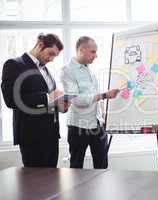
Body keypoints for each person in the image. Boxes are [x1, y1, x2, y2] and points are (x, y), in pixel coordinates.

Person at [1, 33, 69, 167]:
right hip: (32, 137)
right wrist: (47, 97)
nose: (52, 59)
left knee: (52, 183)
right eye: (51, 53)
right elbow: (10, 99)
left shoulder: (47, 70)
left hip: (52, 136)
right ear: (40, 44)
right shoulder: (14, 64)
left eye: (55, 56)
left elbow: (49, 101)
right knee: (35, 185)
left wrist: (60, 105)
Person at [61, 36, 119, 169]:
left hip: (97, 124)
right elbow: (76, 99)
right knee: (76, 165)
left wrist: (103, 114)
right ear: (81, 50)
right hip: (78, 126)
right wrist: (104, 95)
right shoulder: (67, 71)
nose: (96, 55)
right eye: (93, 52)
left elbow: (93, 95)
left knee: (102, 164)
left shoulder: (89, 69)